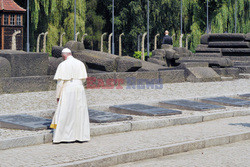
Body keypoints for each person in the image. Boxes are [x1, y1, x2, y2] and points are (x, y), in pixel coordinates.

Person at [50, 48, 90, 143]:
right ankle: (81, 136)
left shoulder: (63, 64)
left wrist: (58, 96)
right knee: (79, 111)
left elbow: (60, 83)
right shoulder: (80, 63)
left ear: (64, 56)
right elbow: (83, 79)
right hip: (79, 88)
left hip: (68, 88)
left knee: (65, 112)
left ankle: (64, 137)